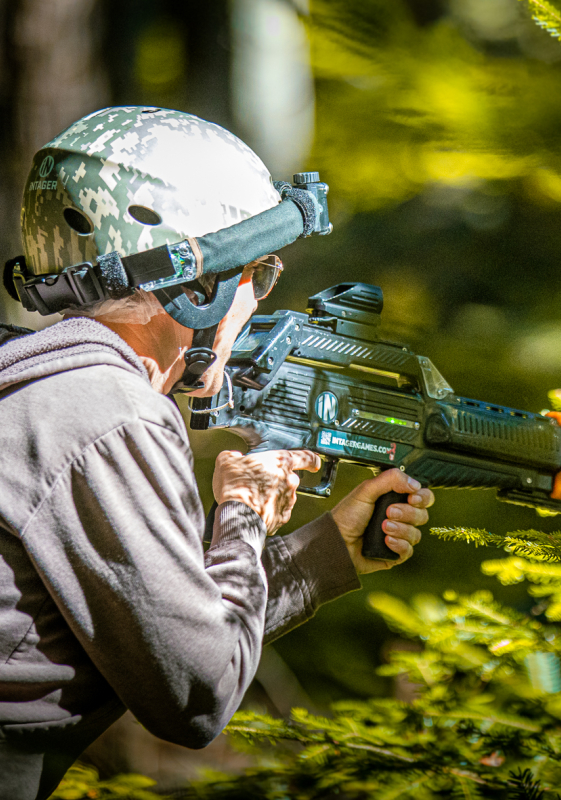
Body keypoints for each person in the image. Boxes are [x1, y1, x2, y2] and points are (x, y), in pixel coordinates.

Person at [0, 107, 434, 800]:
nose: (257, 301)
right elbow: (196, 696)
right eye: (256, 275)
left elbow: (167, 634)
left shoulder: (35, 376)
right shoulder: (107, 414)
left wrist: (324, 556)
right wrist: (243, 512)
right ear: (194, 285)